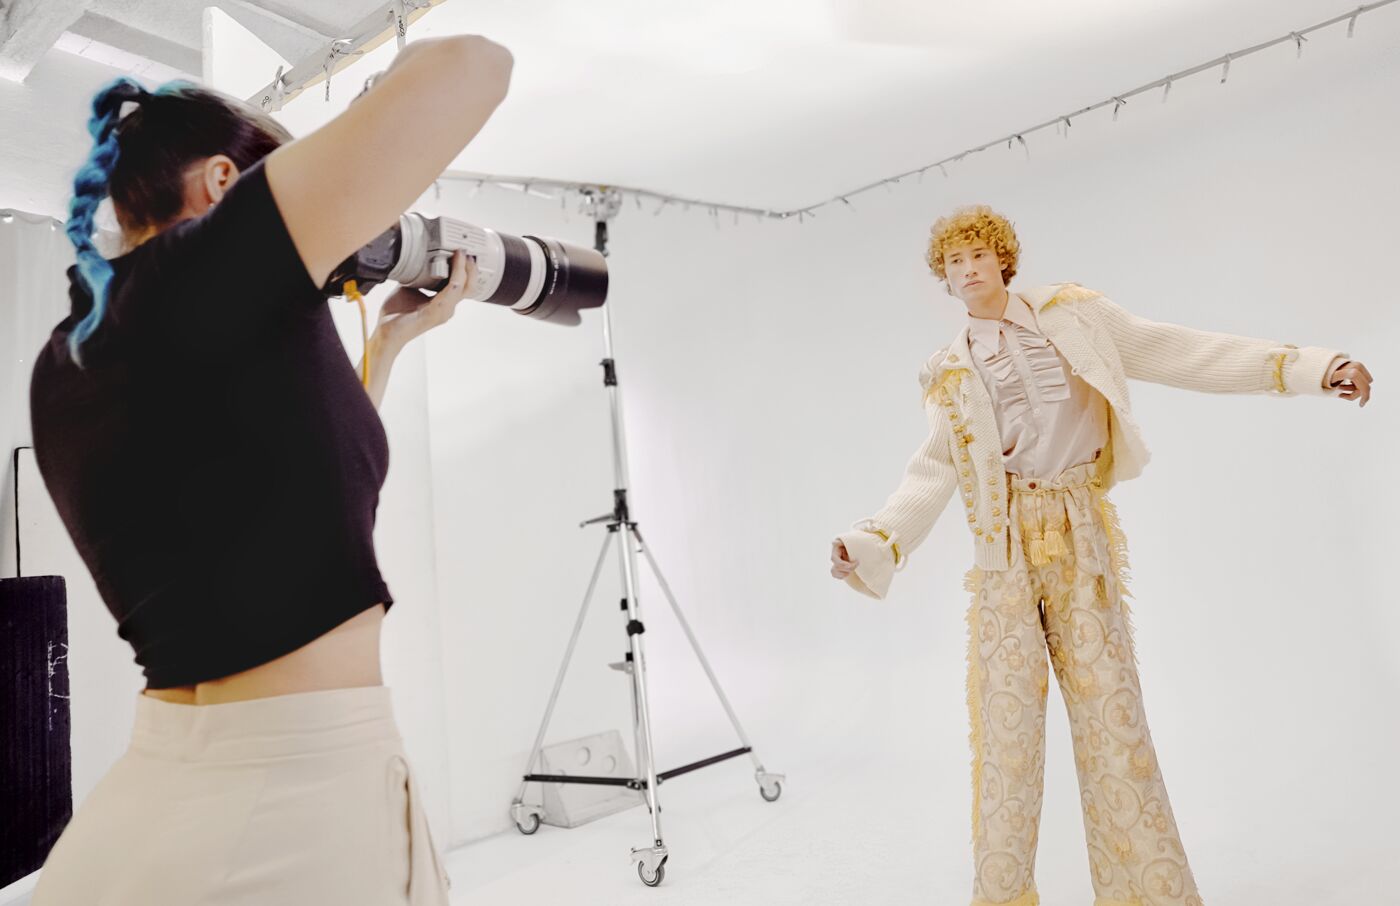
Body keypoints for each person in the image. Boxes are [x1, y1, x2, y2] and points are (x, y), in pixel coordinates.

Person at [27, 33, 513, 905]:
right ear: (223, 186)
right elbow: (477, 64)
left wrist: (389, 346)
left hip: (158, 789)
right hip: (301, 791)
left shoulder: (69, 355)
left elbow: (283, 487)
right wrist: (387, 80)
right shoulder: (203, 274)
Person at [829, 205, 1372, 906]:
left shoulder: (1077, 317)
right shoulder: (949, 371)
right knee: (1008, 742)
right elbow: (934, 470)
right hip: (1003, 553)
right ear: (944, 278)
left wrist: (1308, 368)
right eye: (953, 263)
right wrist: (872, 541)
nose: (967, 270)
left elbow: (1181, 350)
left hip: (1080, 532)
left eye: (978, 256)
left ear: (1003, 260)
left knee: (1114, 724)